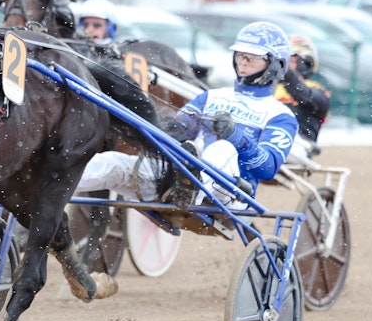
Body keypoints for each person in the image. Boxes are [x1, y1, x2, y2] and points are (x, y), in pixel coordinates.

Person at [75, 21, 298, 209]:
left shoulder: (280, 116)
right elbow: (178, 133)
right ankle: (45, 184)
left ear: (274, 65)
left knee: (222, 148)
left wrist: (235, 136)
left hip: (231, 197)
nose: (244, 62)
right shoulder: (211, 97)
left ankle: (191, 187)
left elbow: (267, 169)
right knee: (114, 163)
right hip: (175, 182)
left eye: (253, 57)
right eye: (240, 55)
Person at [275, 33, 331, 160]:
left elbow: (306, 96)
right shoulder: (270, 88)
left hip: (296, 147)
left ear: (305, 63)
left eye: (290, 60)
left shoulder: (317, 89)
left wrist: (286, 73)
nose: (285, 65)